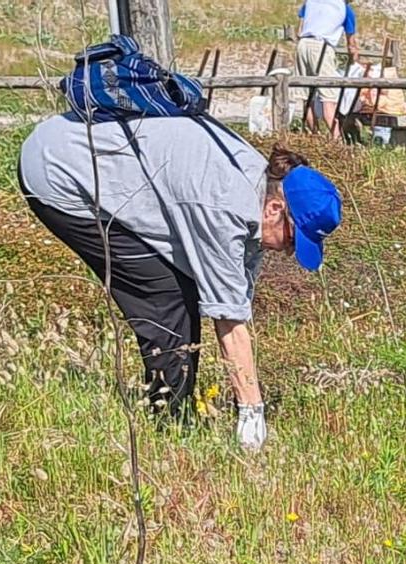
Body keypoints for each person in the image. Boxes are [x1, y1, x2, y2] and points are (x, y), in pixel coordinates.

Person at [19, 116, 342, 449]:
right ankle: (170, 430)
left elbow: (237, 286)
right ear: (276, 209)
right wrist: (251, 411)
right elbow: (228, 316)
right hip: (57, 172)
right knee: (168, 295)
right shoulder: (224, 204)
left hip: (72, 155)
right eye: (292, 239)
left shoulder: (260, 186)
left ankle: (173, 410)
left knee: (182, 280)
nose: (290, 252)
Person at [297, 0, 357, 140]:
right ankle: (337, 141)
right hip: (322, 47)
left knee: (307, 96)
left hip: (303, 44)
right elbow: (351, 44)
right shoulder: (345, 9)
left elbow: (299, 30)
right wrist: (354, 61)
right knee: (328, 97)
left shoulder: (311, 2)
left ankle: (314, 136)